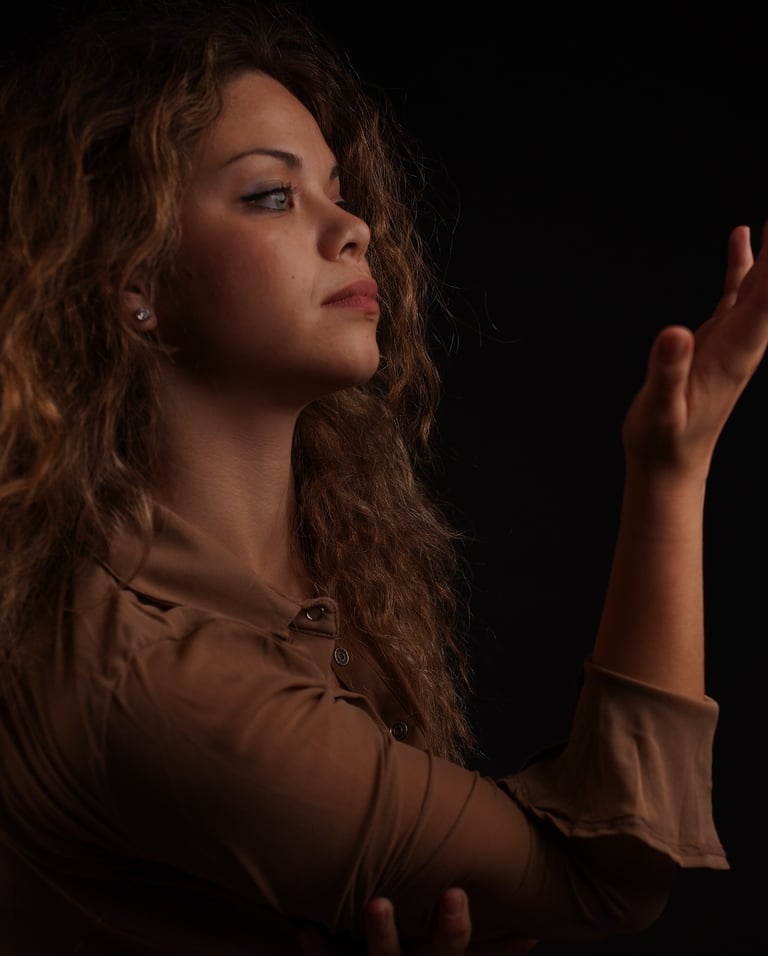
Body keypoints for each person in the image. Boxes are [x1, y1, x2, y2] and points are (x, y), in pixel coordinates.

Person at [0, 0, 762, 952]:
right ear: (135, 285)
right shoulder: (157, 683)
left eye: (337, 190)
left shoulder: (322, 570)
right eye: (271, 196)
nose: (354, 227)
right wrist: (672, 468)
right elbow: (602, 882)